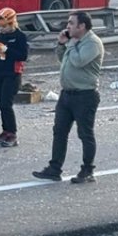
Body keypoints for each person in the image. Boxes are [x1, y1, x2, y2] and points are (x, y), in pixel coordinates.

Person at [33, 12, 104, 184]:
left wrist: (70, 43)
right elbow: (64, 60)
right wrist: (61, 45)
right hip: (67, 95)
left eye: (71, 23)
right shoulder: (73, 42)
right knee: (59, 132)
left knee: (85, 134)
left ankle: (87, 170)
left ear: (82, 26)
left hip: (84, 95)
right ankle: (54, 168)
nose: (68, 26)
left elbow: (79, 61)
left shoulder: (92, 43)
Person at [0, 8, 29, 147]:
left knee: (6, 103)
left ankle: (12, 132)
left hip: (12, 73)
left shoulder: (20, 36)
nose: (2, 29)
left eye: (4, 26)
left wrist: (6, 49)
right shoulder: (0, 36)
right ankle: (5, 130)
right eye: (0, 27)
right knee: (0, 103)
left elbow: (23, 55)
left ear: (12, 23)